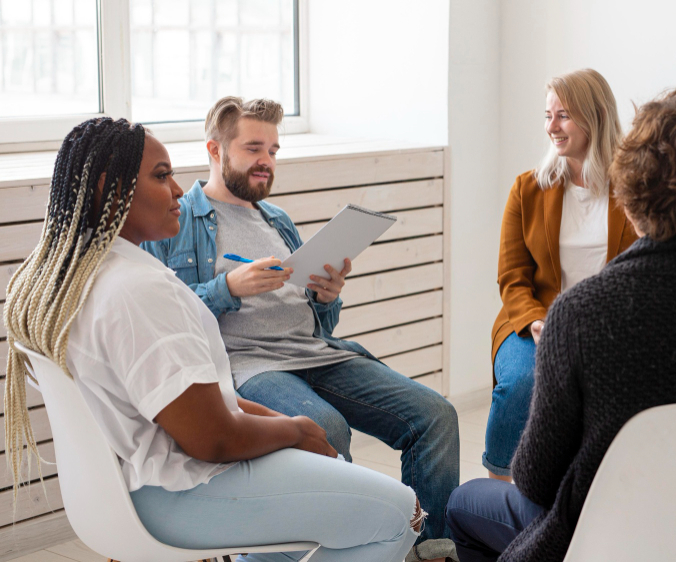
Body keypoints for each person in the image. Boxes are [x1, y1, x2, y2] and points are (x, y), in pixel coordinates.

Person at [2, 117, 422, 561]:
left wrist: (288, 428)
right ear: (110, 187)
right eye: (162, 176)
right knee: (402, 512)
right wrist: (295, 428)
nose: (179, 190)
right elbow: (212, 440)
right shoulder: (136, 289)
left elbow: (208, 403)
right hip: (177, 492)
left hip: (119, 491)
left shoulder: (60, 277)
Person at [447, 88, 676, 562]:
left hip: (610, 542)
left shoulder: (583, 313)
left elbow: (537, 480)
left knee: (463, 502)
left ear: (629, 187)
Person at [140, 97, 459, 562]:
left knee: (436, 416)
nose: (266, 161)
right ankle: (333, 546)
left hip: (316, 354)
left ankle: (429, 552)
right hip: (249, 365)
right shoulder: (178, 218)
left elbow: (317, 322)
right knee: (326, 428)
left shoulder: (277, 219)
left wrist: (326, 296)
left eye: (272, 150)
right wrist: (228, 287)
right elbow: (168, 317)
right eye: (253, 148)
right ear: (215, 150)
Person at [486, 68, 638, 481]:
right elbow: (512, 277)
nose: (551, 126)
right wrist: (537, 321)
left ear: (596, 117)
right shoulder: (528, 189)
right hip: (533, 323)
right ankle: (499, 485)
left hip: (609, 328)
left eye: (564, 115)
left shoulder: (634, 191)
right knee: (521, 385)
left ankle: (601, 491)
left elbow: (646, 270)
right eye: (547, 115)